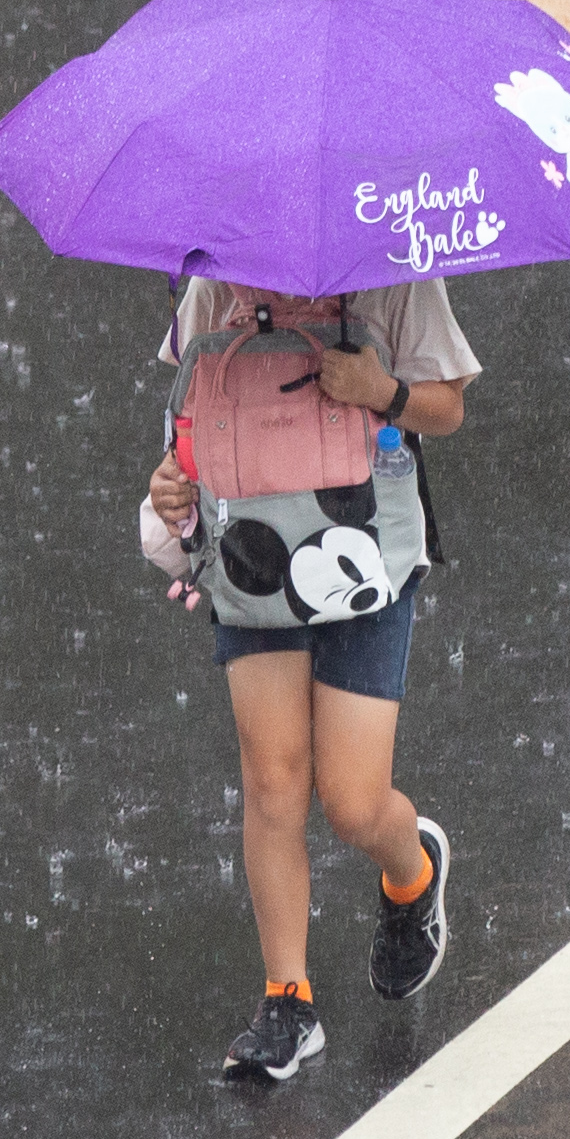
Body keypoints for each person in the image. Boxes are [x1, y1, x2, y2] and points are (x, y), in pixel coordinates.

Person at [134, 278, 478, 1083]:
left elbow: (448, 408)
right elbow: (190, 420)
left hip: (365, 554)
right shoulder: (209, 280)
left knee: (354, 802)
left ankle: (411, 871)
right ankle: (286, 999)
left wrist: (381, 391)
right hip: (249, 555)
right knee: (272, 781)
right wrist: (168, 484)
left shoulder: (392, 261)